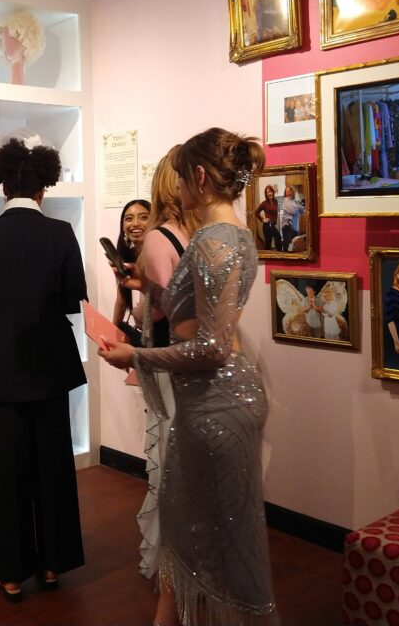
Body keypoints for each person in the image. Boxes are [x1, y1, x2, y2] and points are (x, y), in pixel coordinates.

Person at [99, 128, 278, 626]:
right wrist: (150, 288)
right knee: (188, 534)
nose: (176, 190)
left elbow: (211, 346)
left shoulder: (215, 241)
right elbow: (196, 317)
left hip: (216, 405)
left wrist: (135, 355)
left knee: (207, 539)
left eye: (179, 179)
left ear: (198, 177)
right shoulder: (233, 235)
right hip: (212, 401)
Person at [0, 138, 87, 602]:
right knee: (54, 465)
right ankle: (53, 564)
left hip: (2, 370)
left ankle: (11, 573)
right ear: (42, 191)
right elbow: (74, 296)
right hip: (51, 365)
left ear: (3, 184)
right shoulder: (62, 234)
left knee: (8, 473)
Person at [131, 146, 202, 581]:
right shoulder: (195, 234)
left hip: (177, 360)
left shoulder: (164, 238)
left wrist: (141, 295)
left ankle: (178, 566)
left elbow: (160, 311)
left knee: (175, 462)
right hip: (190, 362)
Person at [112, 198, 151, 328]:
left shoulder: (155, 255)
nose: (135, 224)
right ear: (123, 226)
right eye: (129, 219)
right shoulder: (129, 256)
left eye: (144, 218)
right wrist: (112, 333)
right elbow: (122, 299)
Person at [255, 183, 281, 251]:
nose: (269, 193)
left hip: (272, 224)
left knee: (276, 239)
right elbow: (256, 212)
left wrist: (275, 222)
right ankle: (269, 257)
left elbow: (275, 213)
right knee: (273, 240)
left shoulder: (276, 201)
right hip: (267, 225)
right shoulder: (264, 203)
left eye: (270, 191)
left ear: (273, 192)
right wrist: (262, 220)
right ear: (266, 194)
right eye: (267, 192)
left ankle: (278, 255)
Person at [279, 185, 303, 252]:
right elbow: (294, 211)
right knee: (287, 247)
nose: (289, 193)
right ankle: (285, 261)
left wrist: (297, 210)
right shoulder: (286, 200)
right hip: (288, 226)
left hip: (295, 227)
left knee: (295, 247)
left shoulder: (295, 201)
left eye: (290, 191)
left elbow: (303, 211)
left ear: (293, 192)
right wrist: (298, 209)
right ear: (285, 193)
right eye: (287, 192)